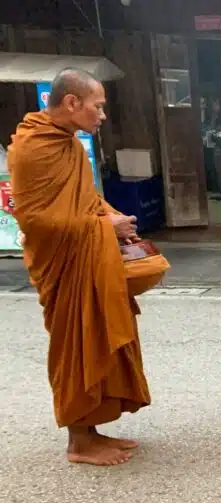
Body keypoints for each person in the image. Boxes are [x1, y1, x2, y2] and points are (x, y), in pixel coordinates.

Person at [8, 68, 151, 466]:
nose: (103, 115)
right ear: (72, 103)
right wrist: (105, 227)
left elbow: (86, 199)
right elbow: (37, 220)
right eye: (98, 106)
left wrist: (116, 221)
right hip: (65, 263)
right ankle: (79, 443)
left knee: (99, 339)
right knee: (76, 344)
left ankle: (92, 429)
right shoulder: (32, 147)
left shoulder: (69, 144)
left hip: (87, 253)